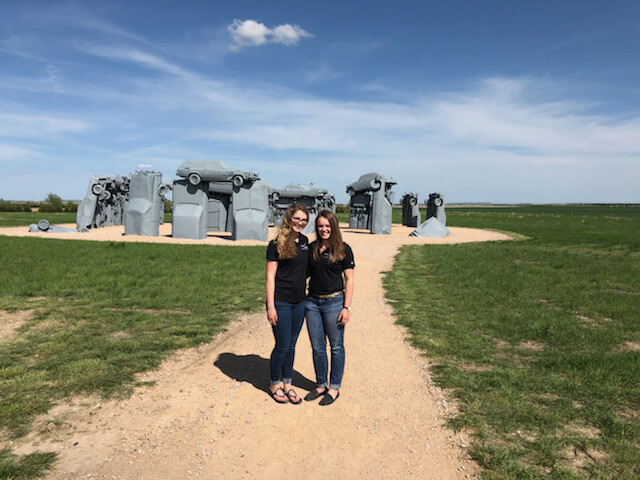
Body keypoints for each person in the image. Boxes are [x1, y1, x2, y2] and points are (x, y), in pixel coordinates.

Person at [304, 210, 355, 406]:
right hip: (313, 304)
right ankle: (320, 385)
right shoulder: (312, 249)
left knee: (336, 347)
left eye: (327, 225)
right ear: (316, 228)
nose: (324, 229)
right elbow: (303, 274)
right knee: (317, 348)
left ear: (333, 226)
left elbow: (349, 279)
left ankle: (334, 388)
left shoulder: (343, 249)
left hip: (334, 303)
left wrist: (346, 307)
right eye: (320, 226)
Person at [266, 203, 310, 404]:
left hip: (299, 302)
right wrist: (271, 306)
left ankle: (287, 383)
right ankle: (274, 383)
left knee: (292, 345)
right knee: (282, 344)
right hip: (281, 301)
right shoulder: (276, 244)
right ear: (289, 218)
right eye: (297, 218)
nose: (300, 223)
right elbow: (270, 276)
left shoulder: (305, 242)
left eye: (304, 220)